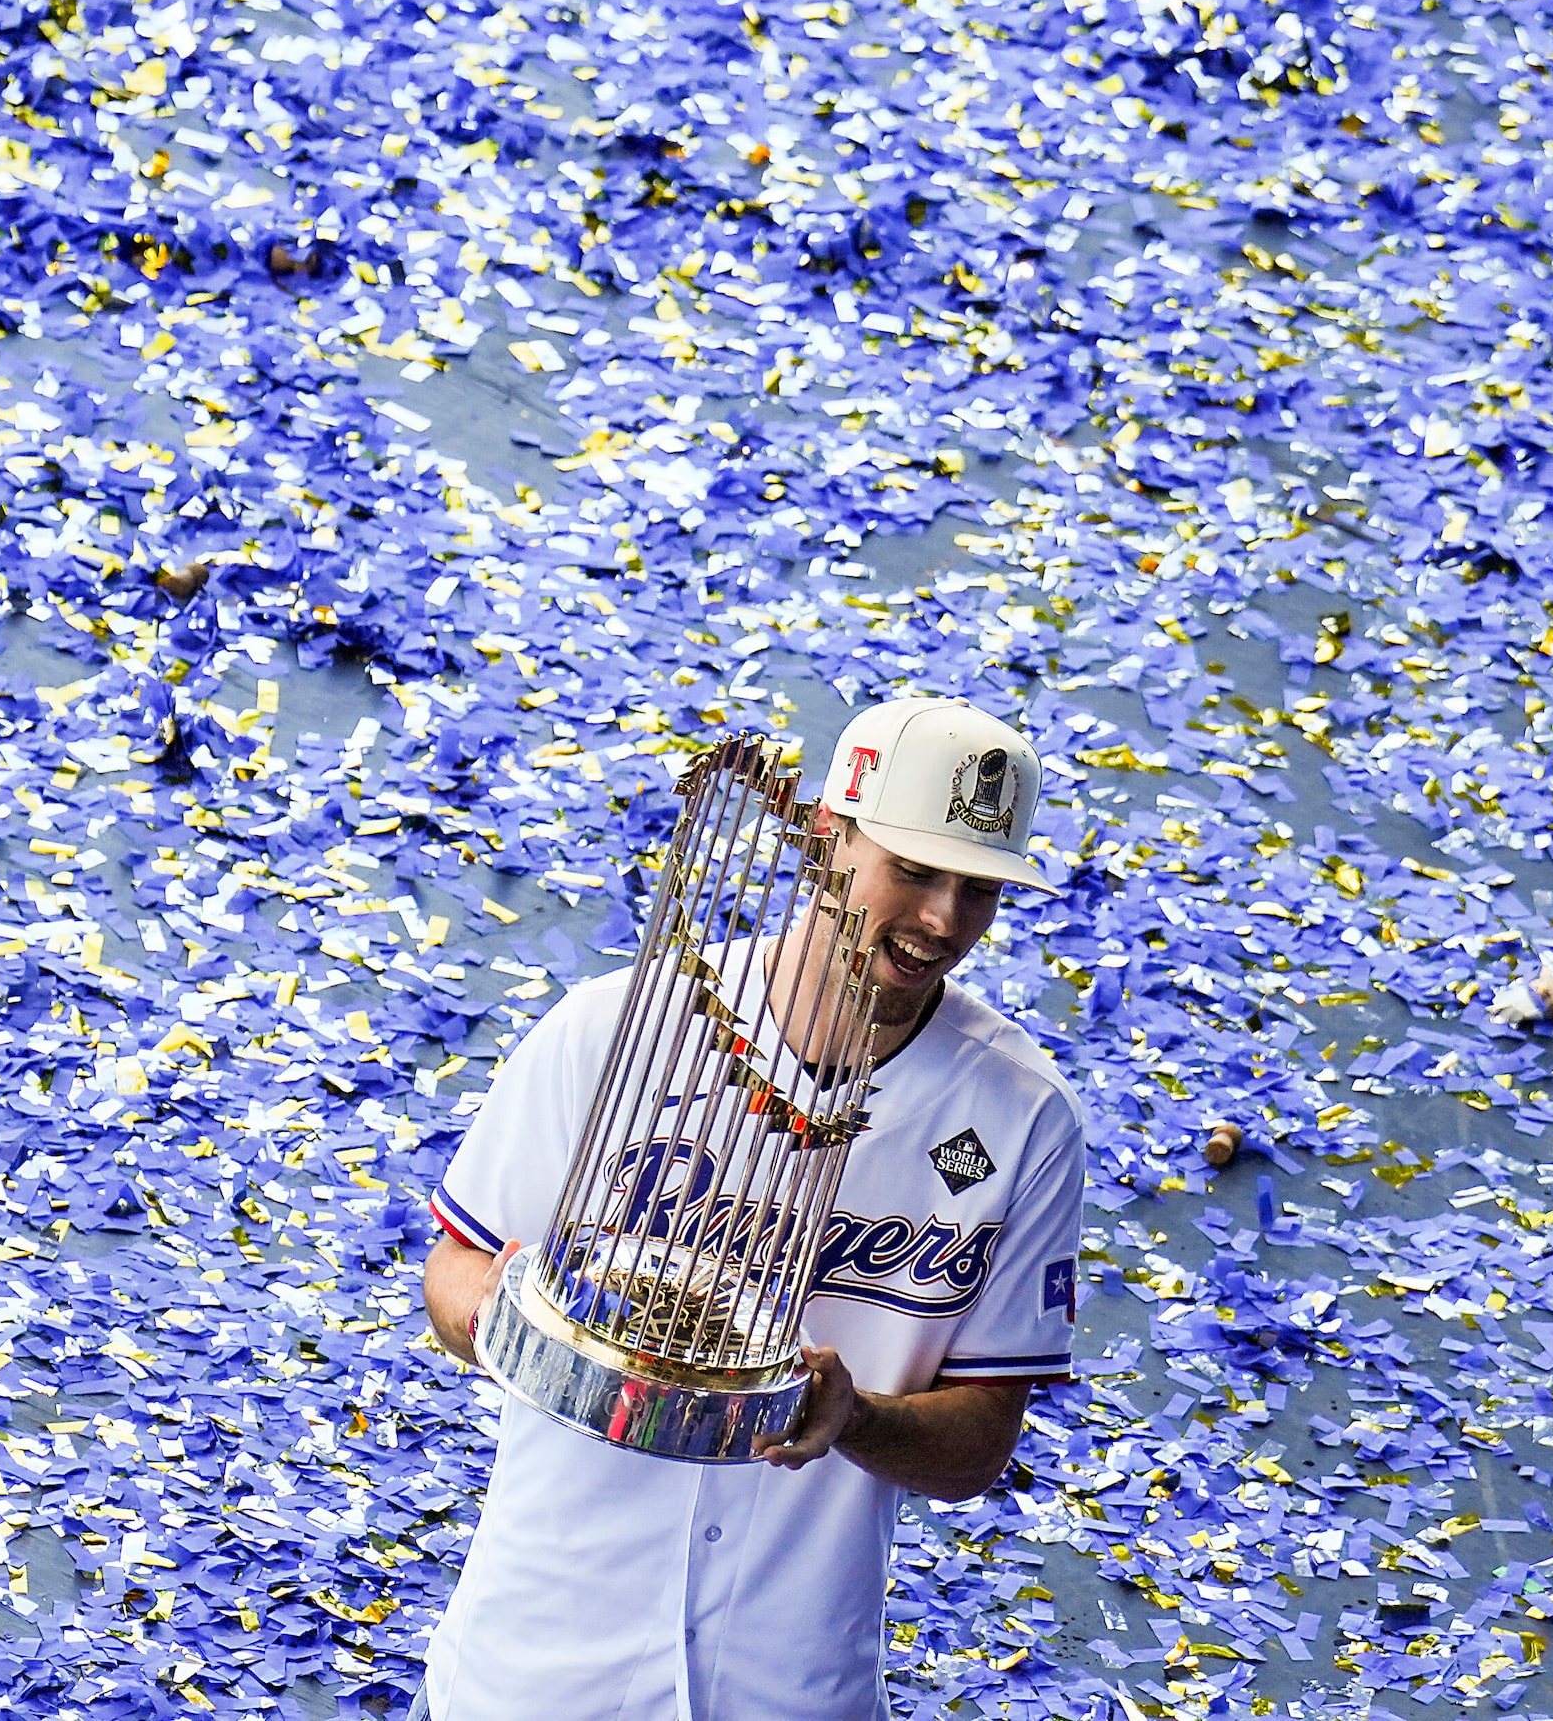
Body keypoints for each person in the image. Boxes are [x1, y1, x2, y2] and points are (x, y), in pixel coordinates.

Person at [413, 696, 1082, 1721]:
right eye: (912, 870)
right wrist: (517, 1319)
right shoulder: (612, 1030)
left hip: (786, 1680)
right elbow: (454, 1277)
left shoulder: (1019, 1117)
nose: (945, 920)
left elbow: (978, 1446)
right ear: (826, 836)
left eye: (979, 888)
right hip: (535, 1663)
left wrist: (853, 1414)